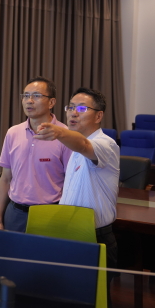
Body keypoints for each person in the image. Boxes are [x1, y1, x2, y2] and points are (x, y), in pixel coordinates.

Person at [33, 87, 120, 269]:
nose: (73, 113)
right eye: (71, 107)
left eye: (81, 108)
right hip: (69, 232)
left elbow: (83, 145)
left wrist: (59, 132)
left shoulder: (106, 144)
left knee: (93, 289)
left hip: (94, 236)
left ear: (98, 116)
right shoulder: (73, 148)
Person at [0, 76, 72, 232]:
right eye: (25, 96)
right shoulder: (13, 133)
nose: (29, 101)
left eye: (36, 96)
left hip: (50, 213)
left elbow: (71, 183)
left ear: (51, 102)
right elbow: (6, 178)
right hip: (15, 213)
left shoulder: (65, 135)